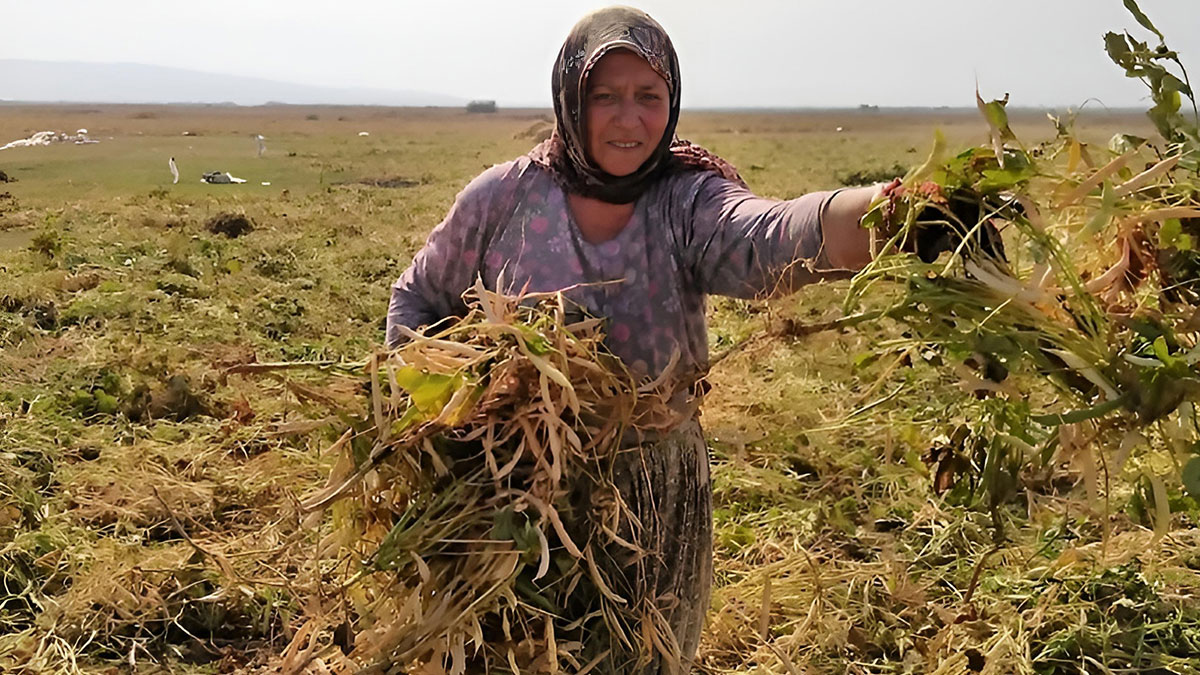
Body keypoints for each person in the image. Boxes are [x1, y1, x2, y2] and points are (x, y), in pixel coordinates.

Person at [386, 6, 887, 672]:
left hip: (647, 502)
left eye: (649, 97)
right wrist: (441, 404)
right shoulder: (501, 200)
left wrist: (893, 211)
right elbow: (417, 298)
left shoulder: (686, 201)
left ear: (672, 102)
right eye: (606, 96)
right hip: (511, 493)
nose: (630, 118)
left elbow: (772, 236)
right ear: (571, 96)